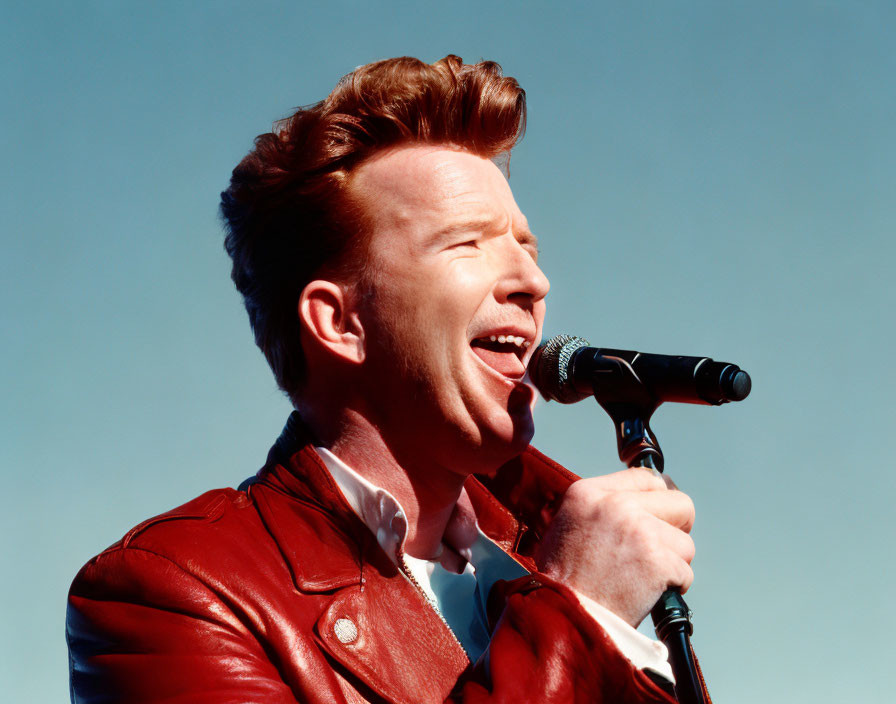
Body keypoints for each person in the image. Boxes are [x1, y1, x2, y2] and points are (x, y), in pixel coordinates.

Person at [67, 55, 698, 703]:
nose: (534, 285)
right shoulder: (176, 595)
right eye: (466, 243)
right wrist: (578, 617)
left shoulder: (545, 554)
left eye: (525, 247)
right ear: (339, 322)